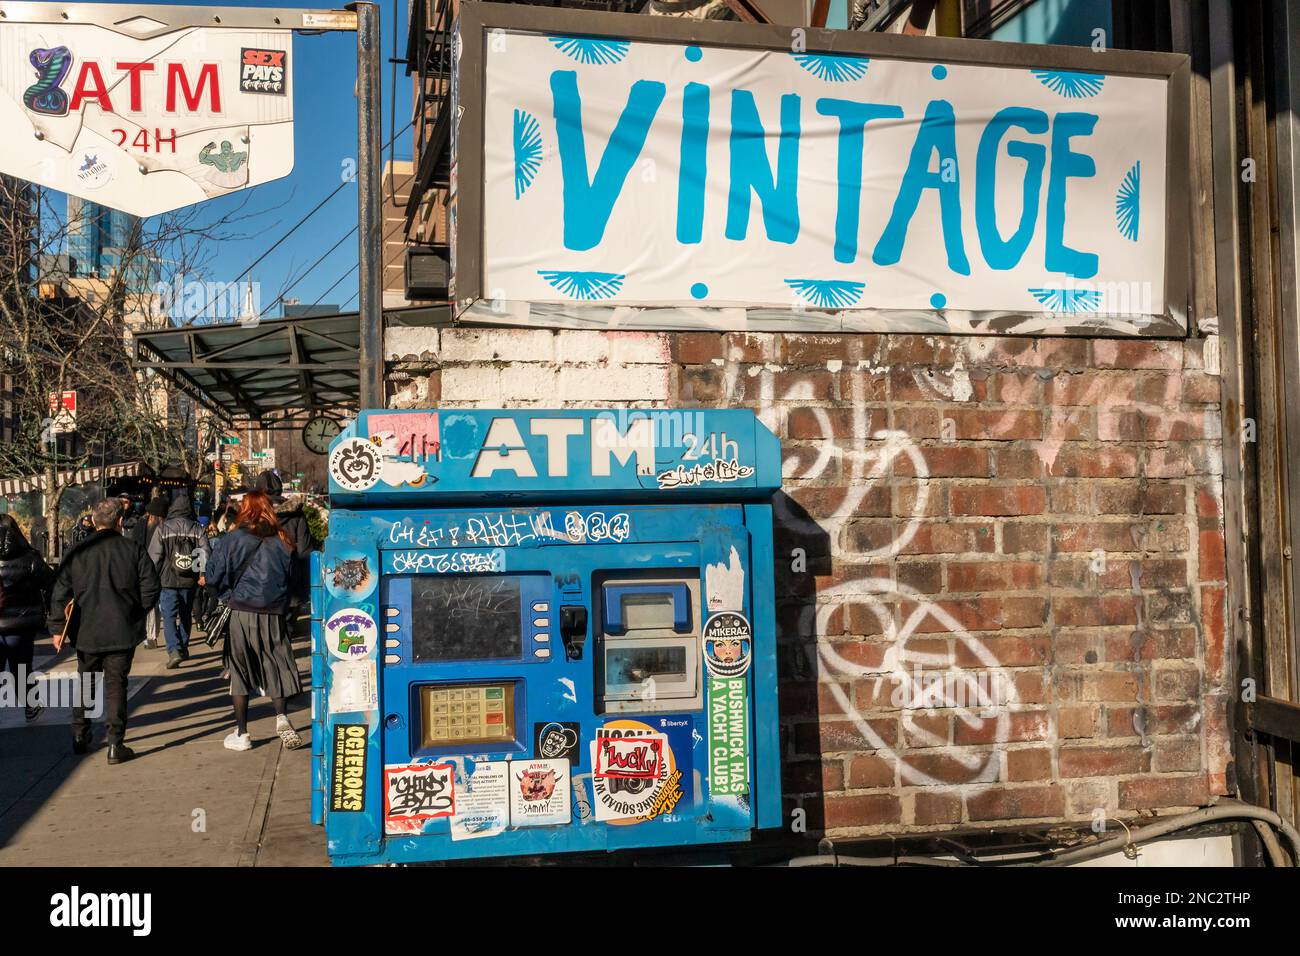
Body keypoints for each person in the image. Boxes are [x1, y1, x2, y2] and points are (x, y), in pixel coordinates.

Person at [51, 499, 160, 763]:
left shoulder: (77, 552)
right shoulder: (132, 549)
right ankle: (115, 743)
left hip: (86, 628)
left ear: (94, 521)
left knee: (85, 681)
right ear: (120, 521)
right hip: (121, 628)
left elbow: (60, 591)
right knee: (116, 686)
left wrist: (57, 627)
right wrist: (136, 612)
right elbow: (151, 587)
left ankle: (79, 733)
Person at [206, 490, 304, 751]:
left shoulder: (232, 539)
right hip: (273, 612)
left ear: (244, 509)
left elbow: (214, 575)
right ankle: (282, 717)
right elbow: (295, 579)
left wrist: (225, 595)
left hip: (242, 611)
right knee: (277, 663)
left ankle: (242, 733)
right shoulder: (283, 540)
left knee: (239, 668)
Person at [0, 515, 55, 722]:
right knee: (21, 668)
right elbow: (51, 582)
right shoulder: (29, 557)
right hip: (21, 624)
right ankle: (31, 706)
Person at [147, 494, 209, 669]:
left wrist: (152, 578)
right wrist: (202, 573)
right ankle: (183, 647)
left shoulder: (163, 529)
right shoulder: (198, 529)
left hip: (168, 579)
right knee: (186, 615)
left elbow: (154, 557)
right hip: (190, 579)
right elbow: (205, 553)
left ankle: (174, 650)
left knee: (169, 616)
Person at [133, 498, 168, 648]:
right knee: (160, 603)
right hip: (162, 569)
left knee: (151, 603)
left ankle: (151, 635)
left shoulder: (142, 525)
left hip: (146, 568)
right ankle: (155, 635)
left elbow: (136, 546)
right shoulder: (165, 526)